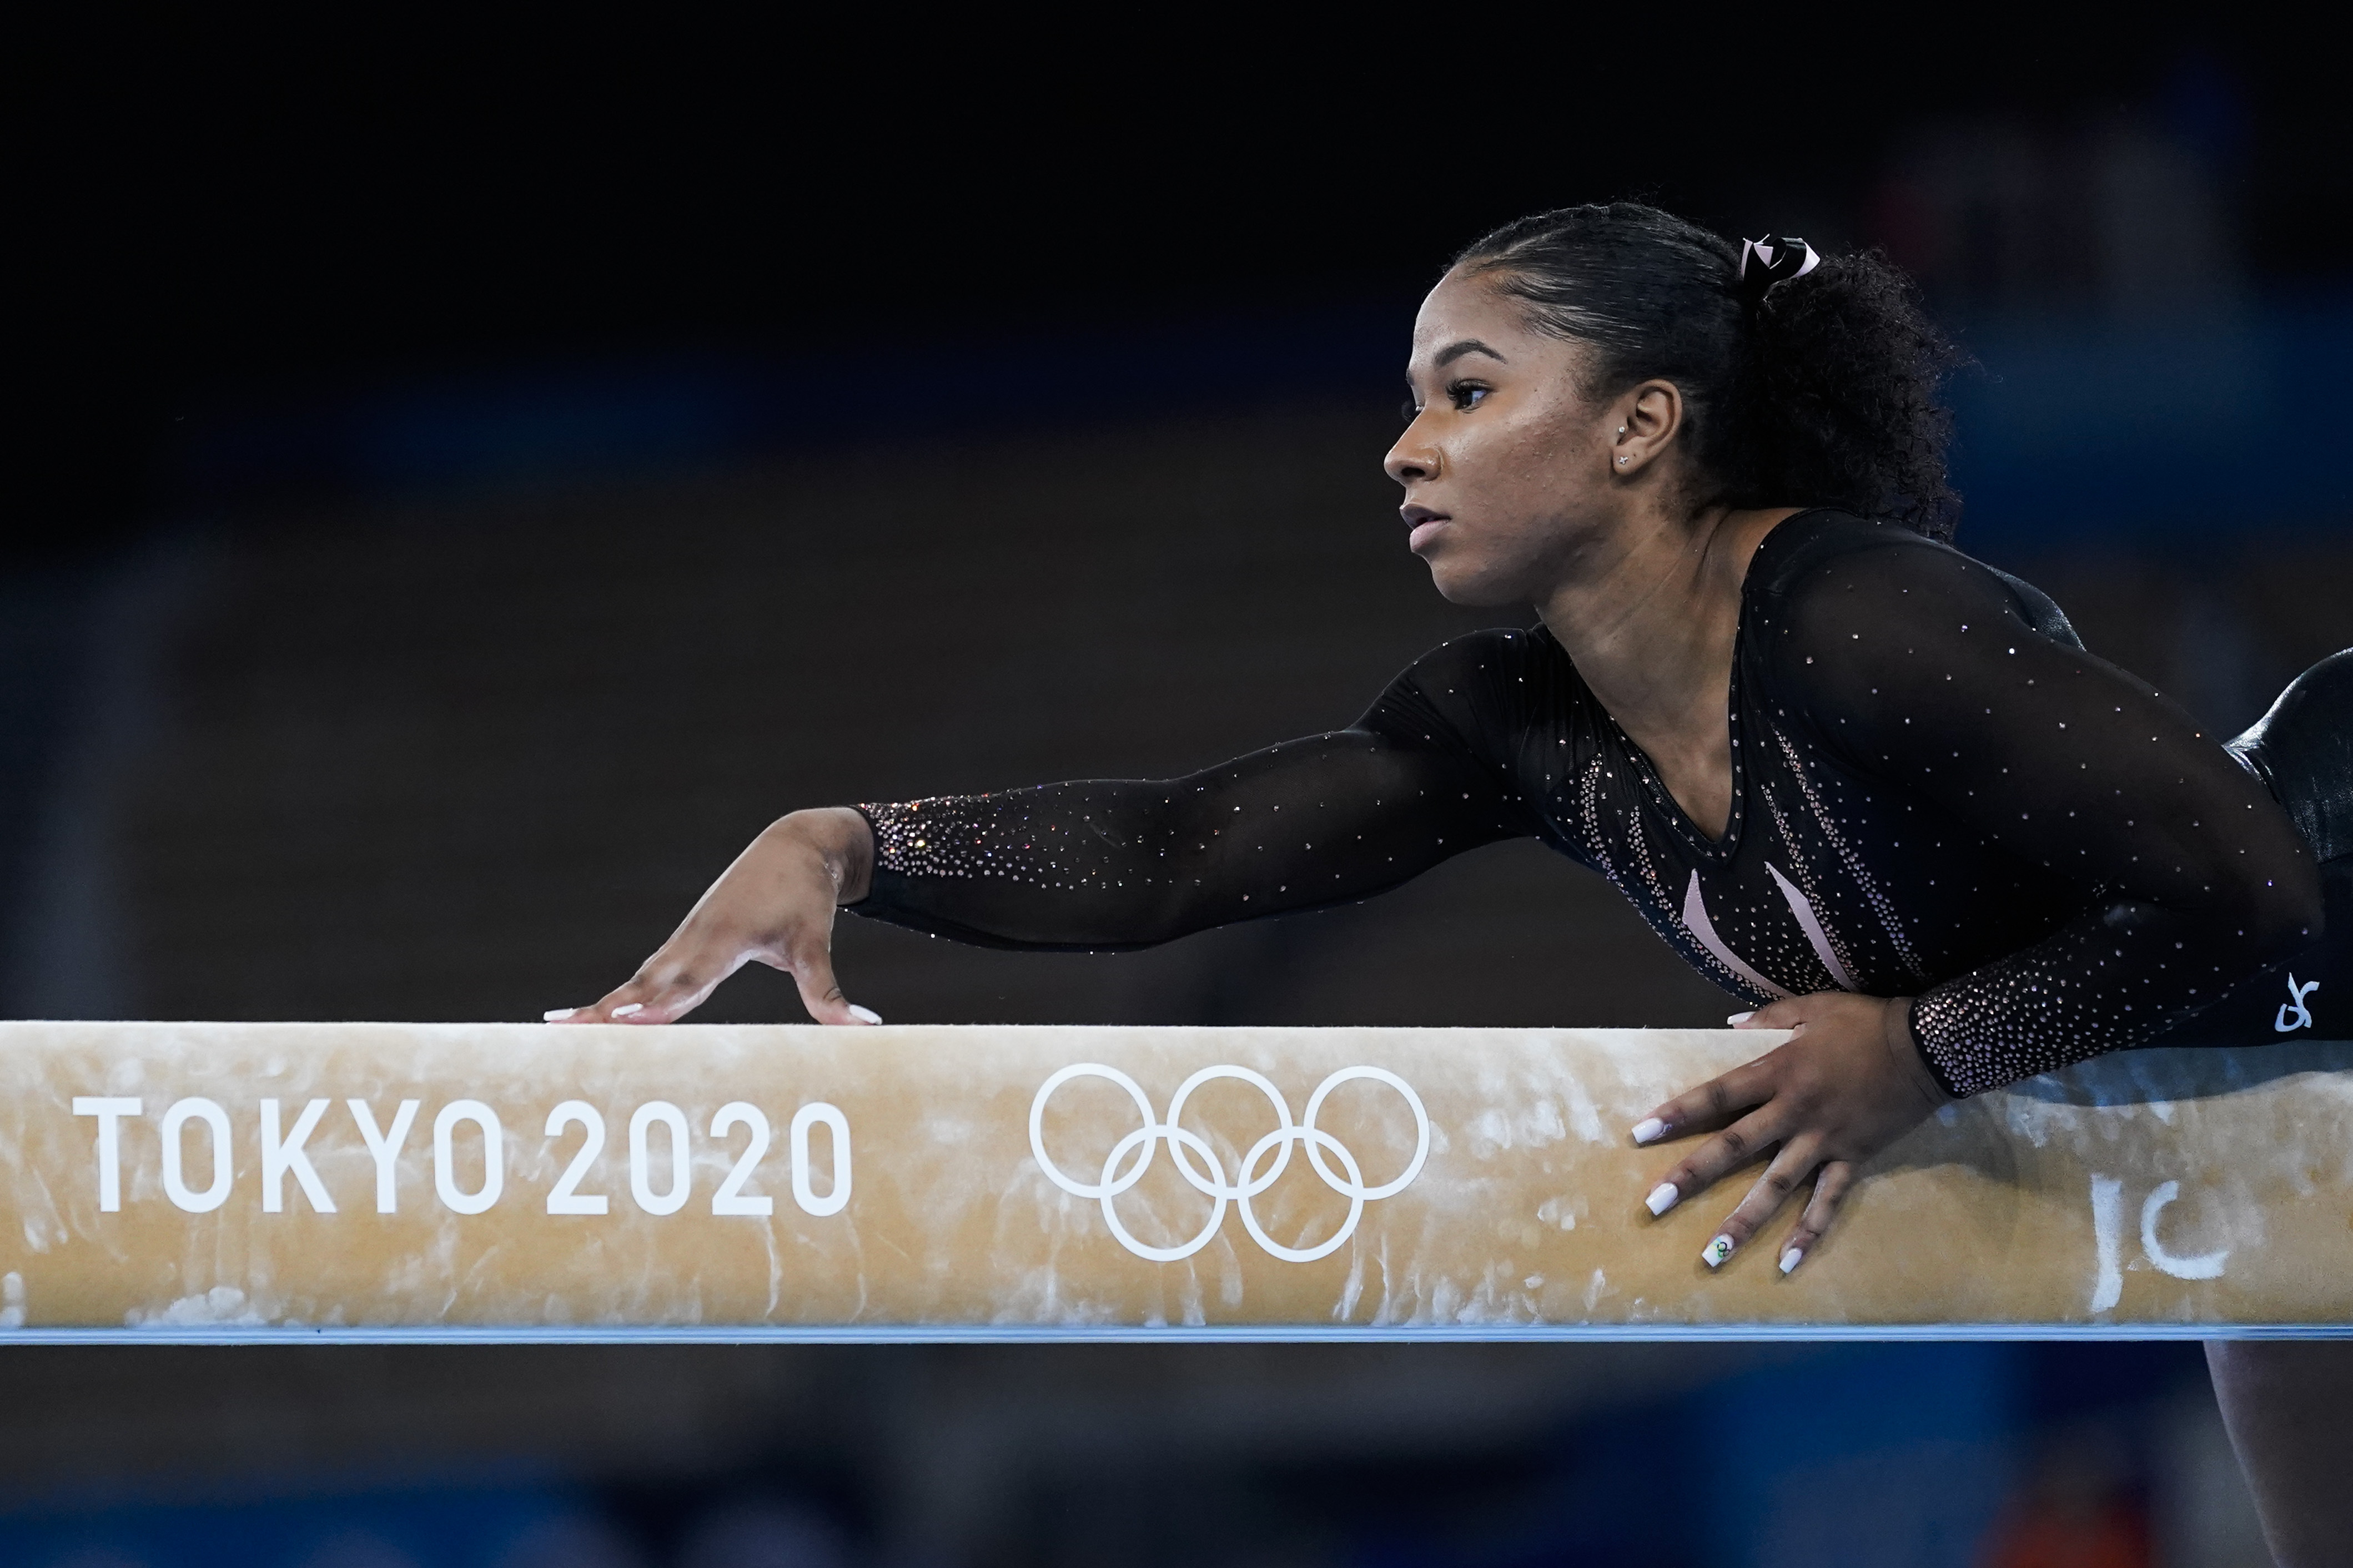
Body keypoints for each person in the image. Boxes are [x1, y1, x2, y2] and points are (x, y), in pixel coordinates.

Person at [549, 204, 2350, 1559]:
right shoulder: (1527, 721)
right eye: (1412, 401)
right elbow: (1182, 845)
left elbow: (2250, 883)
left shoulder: (1865, 619)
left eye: (1467, 392)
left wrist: (1925, 1053)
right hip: (2234, 1090)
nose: (1407, 448)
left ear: (1643, 424)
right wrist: (856, 843)